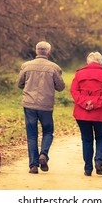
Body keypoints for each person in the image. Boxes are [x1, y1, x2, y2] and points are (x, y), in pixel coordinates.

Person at [16, 41, 65, 174]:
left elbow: (19, 84)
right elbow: (61, 87)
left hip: (29, 105)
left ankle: (33, 166)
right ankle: (43, 155)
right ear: (48, 52)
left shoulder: (26, 66)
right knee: (48, 132)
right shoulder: (54, 67)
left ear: (36, 51)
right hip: (46, 106)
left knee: (32, 135)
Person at [70, 52, 102, 176]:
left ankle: (88, 169)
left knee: (87, 139)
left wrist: (85, 103)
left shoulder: (79, 73)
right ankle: (98, 161)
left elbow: (74, 91)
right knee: (101, 137)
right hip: (100, 112)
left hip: (82, 113)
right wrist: (96, 103)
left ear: (88, 61)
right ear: (100, 61)